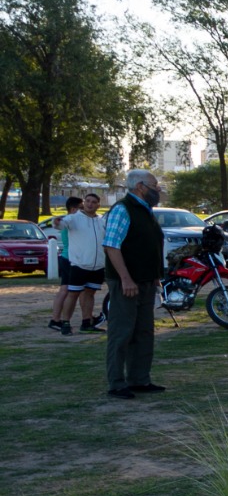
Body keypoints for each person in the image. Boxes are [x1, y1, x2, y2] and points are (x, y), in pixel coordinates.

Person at [101, 170, 166, 399]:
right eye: (154, 185)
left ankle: (139, 379)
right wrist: (125, 278)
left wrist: (156, 275)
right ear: (140, 186)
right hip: (127, 282)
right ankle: (117, 383)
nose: (158, 189)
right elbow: (111, 246)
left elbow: (148, 245)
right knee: (122, 332)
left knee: (144, 332)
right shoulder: (123, 209)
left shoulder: (146, 211)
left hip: (146, 281)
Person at [52, 195, 107, 334]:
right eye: (87, 201)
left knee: (90, 294)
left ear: (98, 205)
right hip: (79, 264)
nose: (90, 204)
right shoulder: (74, 218)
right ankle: (65, 323)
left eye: (94, 202)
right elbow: (61, 224)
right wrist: (57, 222)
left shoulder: (102, 220)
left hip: (98, 265)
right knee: (73, 294)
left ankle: (87, 322)